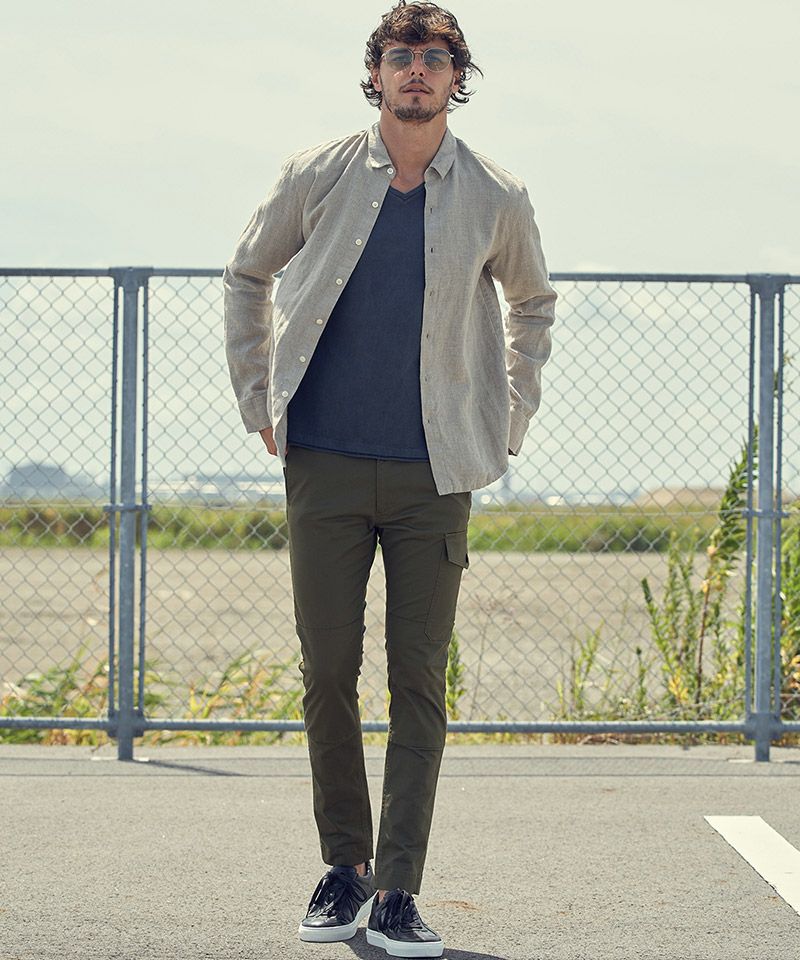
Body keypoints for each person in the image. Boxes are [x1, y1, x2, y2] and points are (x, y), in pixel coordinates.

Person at [223, 2, 556, 955]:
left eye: (436, 56)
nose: (417, 69)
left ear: (458, 78)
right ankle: (346, 868)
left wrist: (508, 415)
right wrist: (259, 397)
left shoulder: (496, 193)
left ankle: (400, 888)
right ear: (375, 74)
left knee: (419, 680)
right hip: (324, 463)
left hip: (433, 475)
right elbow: (247, 275)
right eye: (401, 54)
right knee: (328, 671)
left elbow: (533, 304)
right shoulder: (316, 174)